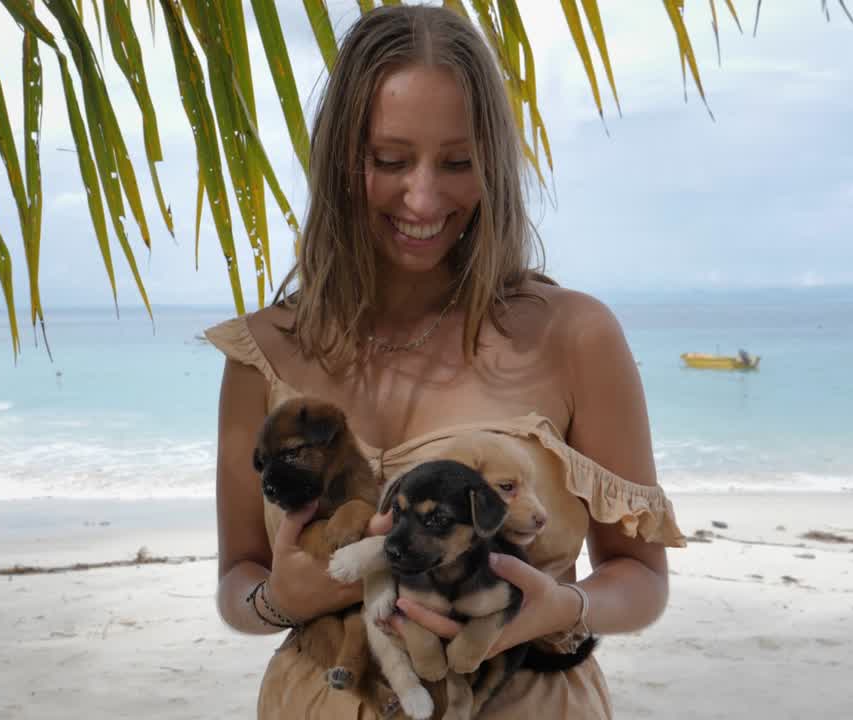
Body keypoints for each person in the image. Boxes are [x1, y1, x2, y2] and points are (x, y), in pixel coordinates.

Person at [204, 5, 685, 718]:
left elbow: (641, 577)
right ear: (340, 158)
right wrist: (279, 601)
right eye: (390, 160)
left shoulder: (575, 336)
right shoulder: (265, 354)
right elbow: (236, 580)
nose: (424, 197)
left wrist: (565, 607)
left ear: (492, 162)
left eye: (458, 162)